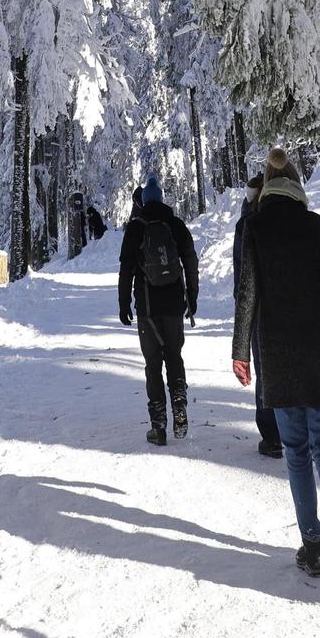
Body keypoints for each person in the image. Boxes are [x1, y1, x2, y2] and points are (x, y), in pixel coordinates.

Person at [232, 147, 320, 602]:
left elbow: (246, 295)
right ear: (298, 188)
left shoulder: (255, 229)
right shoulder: (318, 227)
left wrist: (240, 352)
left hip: (279, 357)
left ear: (267, 189)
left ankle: (312, 545)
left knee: (296, 451)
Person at [119, 174, 199, 446]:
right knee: (174, 355)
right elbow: (190, 261)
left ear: (142, 202)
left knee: (153, 365)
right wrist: (193, 298)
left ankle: (159, 426)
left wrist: (123, 304)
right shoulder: (175, 224)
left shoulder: (136, 228)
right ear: (162, 199)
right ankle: (179, 403)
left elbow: (126, 268)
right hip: (175, 304)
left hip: (147, 308)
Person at [233, 174, 281, 458]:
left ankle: (272, 436)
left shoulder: (246, 223)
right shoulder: (281, 215)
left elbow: (242, 275)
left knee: (264, 371)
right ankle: (291, 431)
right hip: (284, 302)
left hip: (258, 307)